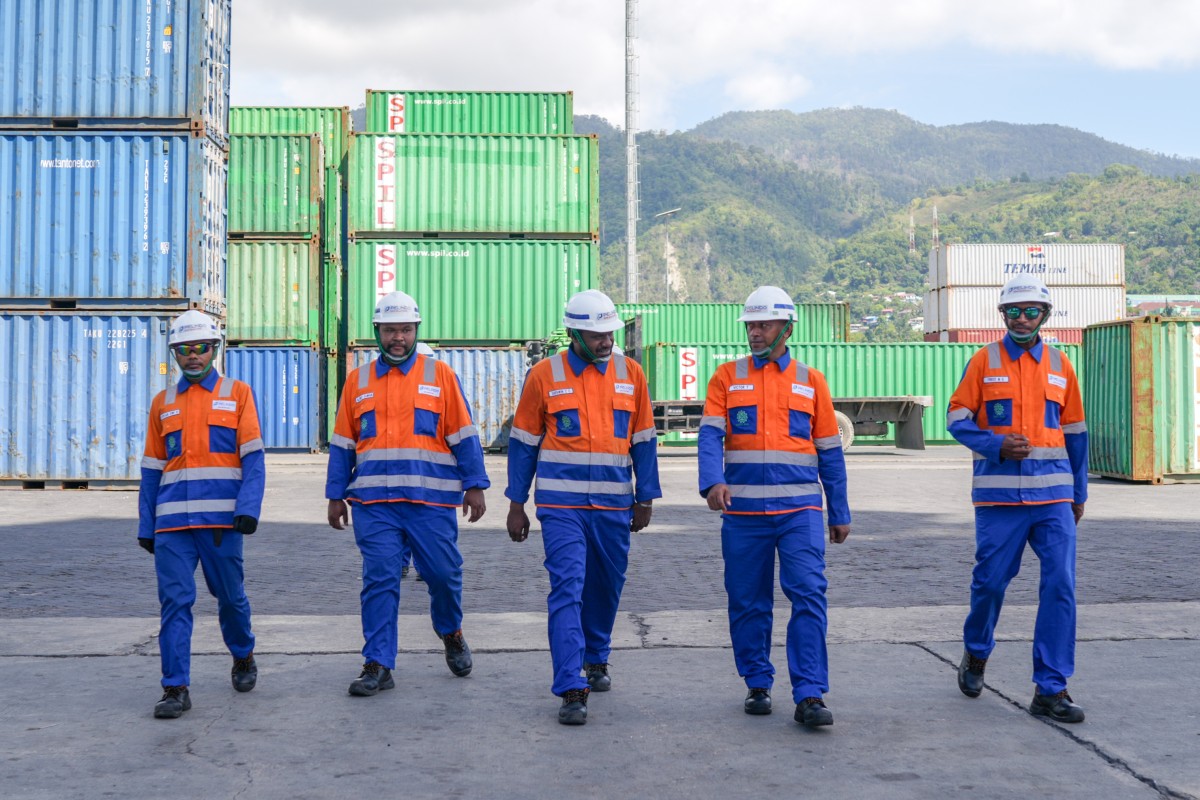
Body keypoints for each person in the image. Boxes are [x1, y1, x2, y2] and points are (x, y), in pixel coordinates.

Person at [505, 289, 661, 725]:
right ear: (573, 333)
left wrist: (644, 496)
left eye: (609, 332)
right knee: (568, 587)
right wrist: (516, 503)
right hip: (562, 506)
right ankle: (571, 685)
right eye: (595, 335)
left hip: (614, 505)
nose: (605, 341)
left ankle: (597, 657)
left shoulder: (632, 374)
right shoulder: (543, 376)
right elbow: (523, 445)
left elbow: (644, 441)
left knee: (607, 586)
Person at [697, 286, 850, 728]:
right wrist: (712, 481)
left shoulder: (811, 381)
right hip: (743, 515)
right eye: (751, 325)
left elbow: (829, 452)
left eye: (764, 325)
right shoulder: (726, 377)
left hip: (800, 511)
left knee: (808, 594)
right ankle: (757, 683)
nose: (755, 333)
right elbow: (710, 435)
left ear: (787, 328)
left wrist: (838, 510)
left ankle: (809, 694)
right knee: (747, 601)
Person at [326, 291, 488, 697]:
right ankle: (378, 663)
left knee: (443, 576)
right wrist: (334, 494)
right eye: (389, 330)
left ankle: (451, 631)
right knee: (380, 579)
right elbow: (344, 443)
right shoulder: (357, 381)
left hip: (429, 503)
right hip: (374, 504)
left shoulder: (440, 376)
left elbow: (464, 435)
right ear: (376, 333)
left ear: (416, 331)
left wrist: (475, 485)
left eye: (405, 329)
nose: (397, 337)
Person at [947, 275, 1088, 723]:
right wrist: (995, 444)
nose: (1022, 318)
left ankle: (1051, 687)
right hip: (1000, 498)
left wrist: (1078, 493)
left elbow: (1076, 434)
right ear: (1002, 315)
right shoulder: (983, 362)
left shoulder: (1061, 365)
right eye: (1014, 311)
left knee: (1060, 587)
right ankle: (976, 652)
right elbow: (957, 417)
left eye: (1031, 311)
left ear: (1045, 315)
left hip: (1053, 500)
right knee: (990, 583)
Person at [137, 310, 265, 719]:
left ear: (214, 349)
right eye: (184, 350)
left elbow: (254, 461)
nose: (193, 356)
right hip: (173, 525)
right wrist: (146, 525)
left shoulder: (238, 393)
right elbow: (152, 469)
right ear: (174, 354)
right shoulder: (163, 404)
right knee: (175, 602)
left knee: (229, 597)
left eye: (200, 348)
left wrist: (248, 509)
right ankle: (175, 687)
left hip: (221, 523)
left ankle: (242, 654)